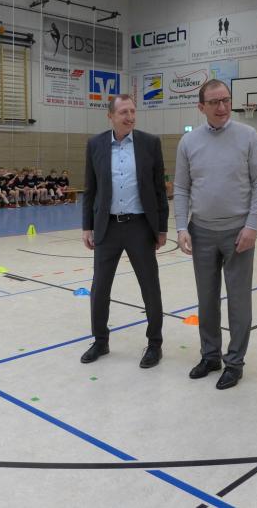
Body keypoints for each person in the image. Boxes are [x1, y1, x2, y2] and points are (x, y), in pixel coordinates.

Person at [174, 79, 257, 389]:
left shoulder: (248, 136)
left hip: (238, 233)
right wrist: (181, 226)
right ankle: (210, 356)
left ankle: (235, 362)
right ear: (201, 107)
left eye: (226, 100)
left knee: (239, 302)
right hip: (201, 232)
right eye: (214, 102)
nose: (222, 107)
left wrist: (252, 226)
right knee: (206, 300)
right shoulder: (188, 142)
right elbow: (181, 187)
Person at [81, 94, 169, 368]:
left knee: (150, 287)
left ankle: (154, 344)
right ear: (110, 116)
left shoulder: (150, 143)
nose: (130, 117)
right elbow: (90, 189)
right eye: (124, 112)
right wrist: (87, 226)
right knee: (100, 288)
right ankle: (100, 341)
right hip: (107, 227)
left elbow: (159, 189)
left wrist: (162, 228)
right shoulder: (95, 144)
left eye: (132, 111)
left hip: (140, 226)